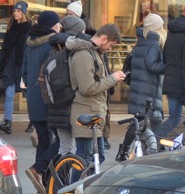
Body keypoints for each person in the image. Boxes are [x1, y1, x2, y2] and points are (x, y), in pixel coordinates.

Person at [67, 24, 126, 166]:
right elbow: (87, 88)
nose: (110, 49)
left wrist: (112, 80)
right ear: (104, 38)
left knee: (98, 158)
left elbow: (97, 83)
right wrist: (112, 79)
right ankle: (74, 188)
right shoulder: (84, 55)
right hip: (85, 114)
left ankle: (86, 187)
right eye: (110, 45)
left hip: (95, 114)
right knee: (84, 160)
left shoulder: (95, 53)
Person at [117, 13, 167, 161]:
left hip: (141, 86)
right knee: (149, 120)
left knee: (141, 121)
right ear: (158, 28)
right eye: (161, 26)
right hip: (148, 88)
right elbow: (152, 65)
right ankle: (153, 152)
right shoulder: (153, 43)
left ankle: (126, 151)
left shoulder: (143, 41)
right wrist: (167, 66)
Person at [21, 10, 61, 194]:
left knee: (44, 139)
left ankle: (42, 181)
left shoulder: (29, 44)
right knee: (60, 139)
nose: (60, 26)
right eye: (58, 23)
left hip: (33, 98)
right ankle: (38, 169)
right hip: (48, 98)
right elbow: (53, 74)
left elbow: (24, 72)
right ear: (51, 25)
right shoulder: (52, 44)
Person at [46, 16, 88, 156]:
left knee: (64, 146)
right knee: (74, 148)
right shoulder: (77, 54)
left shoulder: (53, 53)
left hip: (56, 106)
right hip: (72, 106)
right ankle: (61, 176)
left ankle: (55, 176)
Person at [158, 3, 185, 137]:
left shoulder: (173, 31)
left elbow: (166, 55)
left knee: (174, 117)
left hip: (172, 80)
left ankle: (152, 140)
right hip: (184, 82)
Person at [0, 1, 32, 134]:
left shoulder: (29, 28)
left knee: (29, 95)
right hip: (10, 65)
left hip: (23, 64)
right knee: (9, 94)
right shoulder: (11, 28)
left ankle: (34, 122)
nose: (16, 13)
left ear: (24, 12)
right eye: (14, 11)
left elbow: (29, 48)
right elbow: (5, 48)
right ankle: (8, 121)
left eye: (18, 11)